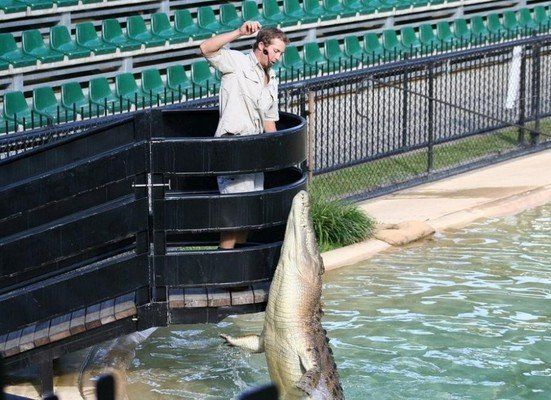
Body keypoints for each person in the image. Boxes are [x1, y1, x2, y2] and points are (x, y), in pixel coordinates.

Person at [200, 22, 289, 249]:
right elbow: (206, 48)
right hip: (233, 145)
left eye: (281, 52)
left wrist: (278, 153)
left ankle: (237, 275)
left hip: (255, 151)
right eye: (276, 51)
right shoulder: (237, 62)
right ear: (262, 46)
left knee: (247, 217)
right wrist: (239, 32)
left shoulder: (272, 78)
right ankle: (223, 274)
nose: (278, 56)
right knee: (234, 218)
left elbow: (270, 121)